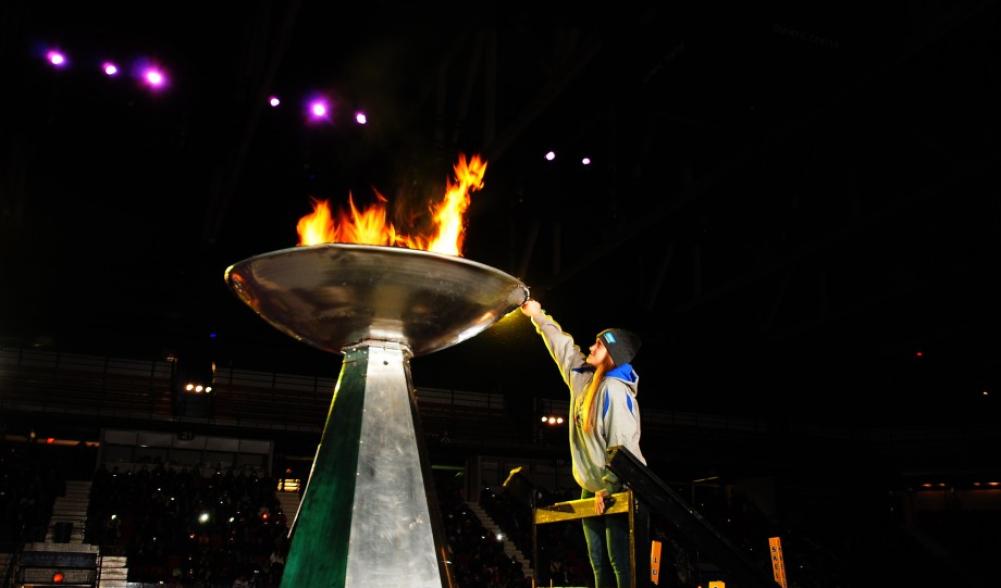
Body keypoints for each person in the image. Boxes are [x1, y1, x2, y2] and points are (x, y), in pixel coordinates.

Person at [520, 299, 645, 588]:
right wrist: (537, 315)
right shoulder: (583, 380)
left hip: (621, 486)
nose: (591, 348)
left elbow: (622, 444)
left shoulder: (614, 391)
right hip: (591, 483)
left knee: (620, 564)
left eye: (598, 346)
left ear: (612, 355)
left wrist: (611, 486)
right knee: (598, 563)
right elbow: (562, 347)